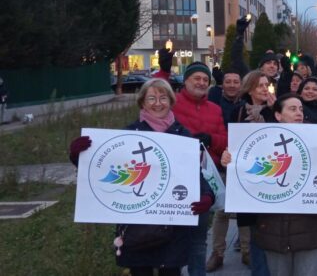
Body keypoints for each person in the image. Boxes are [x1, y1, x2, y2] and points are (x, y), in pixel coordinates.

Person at [69, 79, 214, 276]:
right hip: (138, 227)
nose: (157, 103)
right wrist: (81, 156)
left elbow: (193, 175)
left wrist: (207, 195)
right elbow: (103, 169)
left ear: (171, 101)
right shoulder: (128, 135)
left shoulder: (183, 135)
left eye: (163, 98)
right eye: (151, 98)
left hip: (173, 226)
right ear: (142, 102)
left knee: (171, 272)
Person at [221, 93, 317, 276]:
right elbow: (246, 173)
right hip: (273, 232)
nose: (299, 113)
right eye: (292, 108)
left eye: (301, 109)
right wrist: (229, 161)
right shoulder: (260, 141)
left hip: (308, 230)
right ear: (278, 115)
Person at [154, 61, 227, 276]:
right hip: (172, 179)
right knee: (170, 238)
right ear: (185, 81)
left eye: (205, 79)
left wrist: (211, 138)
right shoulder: (172, 104)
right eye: (197, 78)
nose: (202, 82)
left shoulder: (215, 109)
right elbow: (154, 94)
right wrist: (164, 71)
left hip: (201, 180)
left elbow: (225, 140)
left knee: (198, 239)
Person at [208, 71, 276, 272]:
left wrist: (273, 111)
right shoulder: (238, 111)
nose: (264, 89)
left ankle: (248, 251)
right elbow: (233, 139)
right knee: (226, 210)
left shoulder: (276, 110)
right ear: (250, 89)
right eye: (259, 85)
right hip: (242, 170)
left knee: (256, 218)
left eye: (266, 85)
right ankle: (218, 252)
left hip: (267, 170)